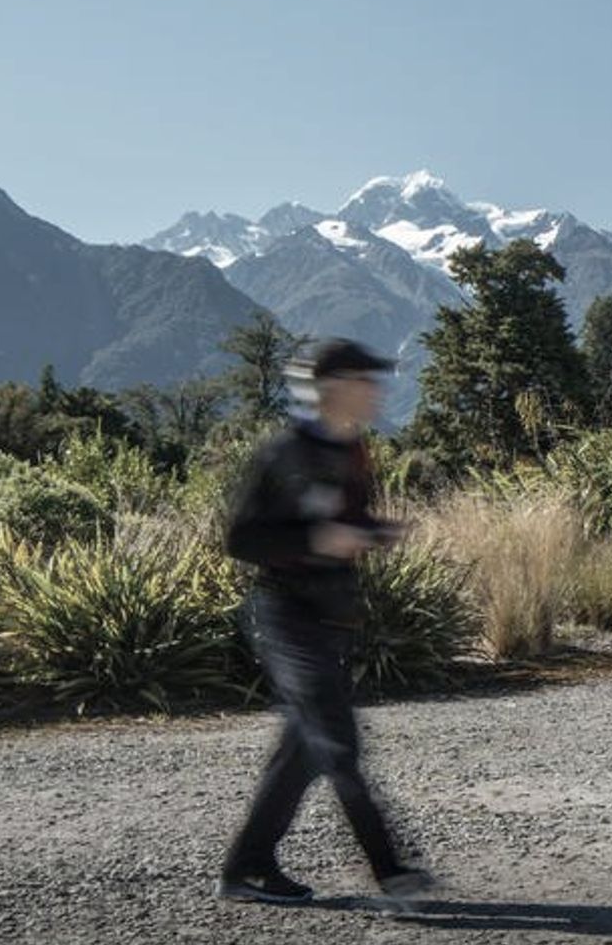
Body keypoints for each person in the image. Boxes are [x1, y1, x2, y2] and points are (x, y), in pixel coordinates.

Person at [219, 338, 439, 910]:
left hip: (328, 616)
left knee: (304, 748)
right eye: (366, 383)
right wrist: (318, 540)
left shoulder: (353, 451)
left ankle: (248, 868)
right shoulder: (281, 453)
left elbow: (350, 518)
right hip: (283, 614)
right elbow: (241, 539)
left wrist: (374, 532)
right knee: (337, 742)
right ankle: (389, 870)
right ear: (334, 387)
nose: (375, 394)